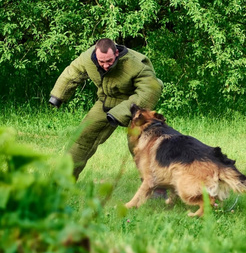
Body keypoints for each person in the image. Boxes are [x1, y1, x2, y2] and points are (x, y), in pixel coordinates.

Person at [49, 38, 163, 180]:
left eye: (109, 61)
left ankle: (156, 186)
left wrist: (121, 112)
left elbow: (151, 89)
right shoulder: (88, 57)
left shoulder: (134, 64)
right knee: (82, 137)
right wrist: (57, 95)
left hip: (134, 104)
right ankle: (62, 181)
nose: (105, 65)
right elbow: (73, 72)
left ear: (116, 53)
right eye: (101, 61)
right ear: (95, 54)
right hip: (106, 100)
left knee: (140, 143)